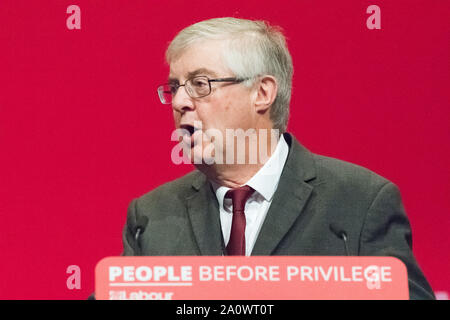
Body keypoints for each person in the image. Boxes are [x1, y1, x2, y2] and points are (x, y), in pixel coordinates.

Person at [121, 17, 435, 299]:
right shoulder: (151, 215)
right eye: (174, 87)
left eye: (200, 84)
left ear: (262, 92)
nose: (178, 102)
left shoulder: (359, 202)